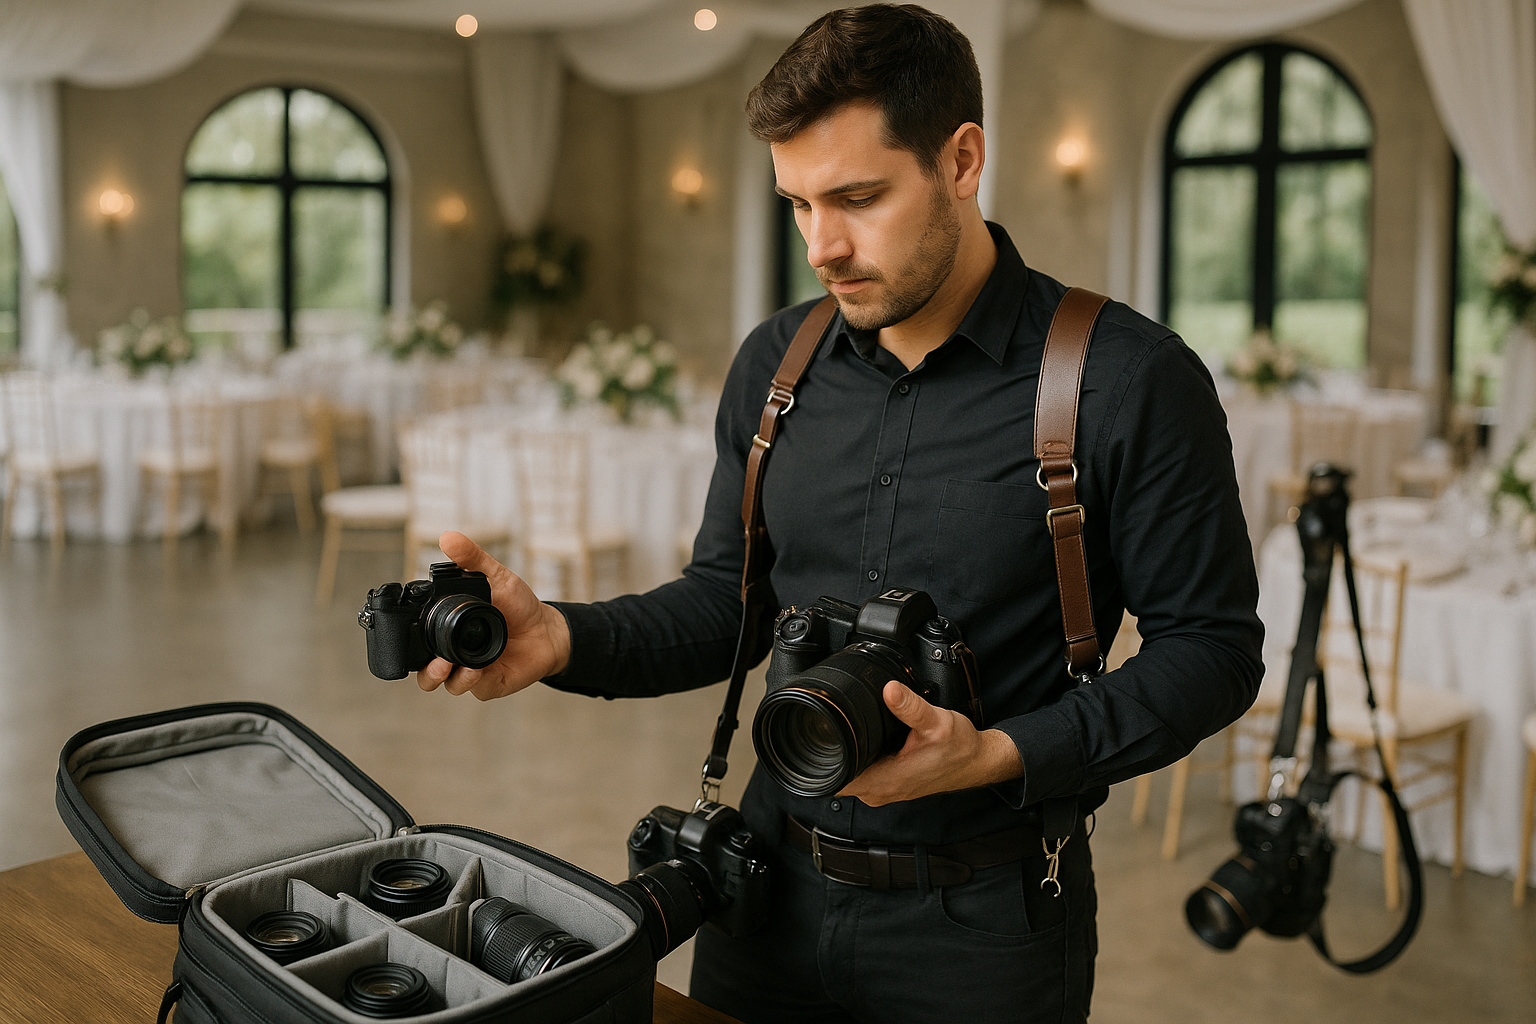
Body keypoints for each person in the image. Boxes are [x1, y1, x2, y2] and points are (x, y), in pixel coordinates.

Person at [418, 5, 1263, 1021]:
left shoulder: (1128, 379)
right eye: (798, 204)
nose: (823, 245)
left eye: (859, 198)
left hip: (986, 924)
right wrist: (562, 636)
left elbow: (1212, 649)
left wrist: (1000, 753)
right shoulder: (774, 366)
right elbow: (726, 604)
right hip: (761, 893)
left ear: (961, 161)